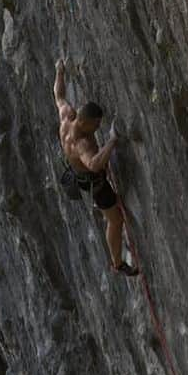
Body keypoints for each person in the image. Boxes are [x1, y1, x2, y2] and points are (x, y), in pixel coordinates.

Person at [54, 58, 138, 275]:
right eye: (96, 124)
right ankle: (118, 263)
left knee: (114, 216)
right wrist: (112, 140)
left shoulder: (67, 117)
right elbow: (93, 164)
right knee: (115, 219)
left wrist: (59, 72)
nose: (98, 127)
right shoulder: (82, 144)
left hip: (79, 172)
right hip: (94, 182)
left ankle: (117, 262)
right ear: (84, 122)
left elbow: (59, 95)